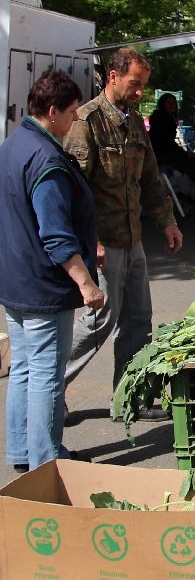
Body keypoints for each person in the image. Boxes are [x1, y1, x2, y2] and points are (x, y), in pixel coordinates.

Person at [63, 47, 183, 422]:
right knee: (101, 320)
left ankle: (130, 398)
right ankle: (51, 386)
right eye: (135, 84)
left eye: (143, 86)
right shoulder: (87, 121)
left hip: (133, 239)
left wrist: (167, 220)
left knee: (139, 318)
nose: (139, 92)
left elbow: (149, 178)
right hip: (104, 242)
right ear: (112, 77)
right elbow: (72, 190)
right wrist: (89, 240)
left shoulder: (134, 122)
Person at [1, 70, 105, 471]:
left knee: (25, 368)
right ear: (52, 111)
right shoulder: (46, 159)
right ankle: (47, 458)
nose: (75, 119)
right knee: (46, 373)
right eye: (72, 111)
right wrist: (86, 283)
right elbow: (56, 235)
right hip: (42, 285)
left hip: (14, 278)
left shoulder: (12, 145)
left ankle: (22, 452)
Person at [148, 93, 195, 186]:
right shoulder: (163, 119)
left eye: (173, 103)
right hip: (161, 154)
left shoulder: (164, 117)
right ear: (163, 104)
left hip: (162, 152)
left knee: (191, 163)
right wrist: (184, 153)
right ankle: (182, 191)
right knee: (190, 164)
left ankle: (183, 190)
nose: (172, 106)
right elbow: (166, 142)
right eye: (169, 103)